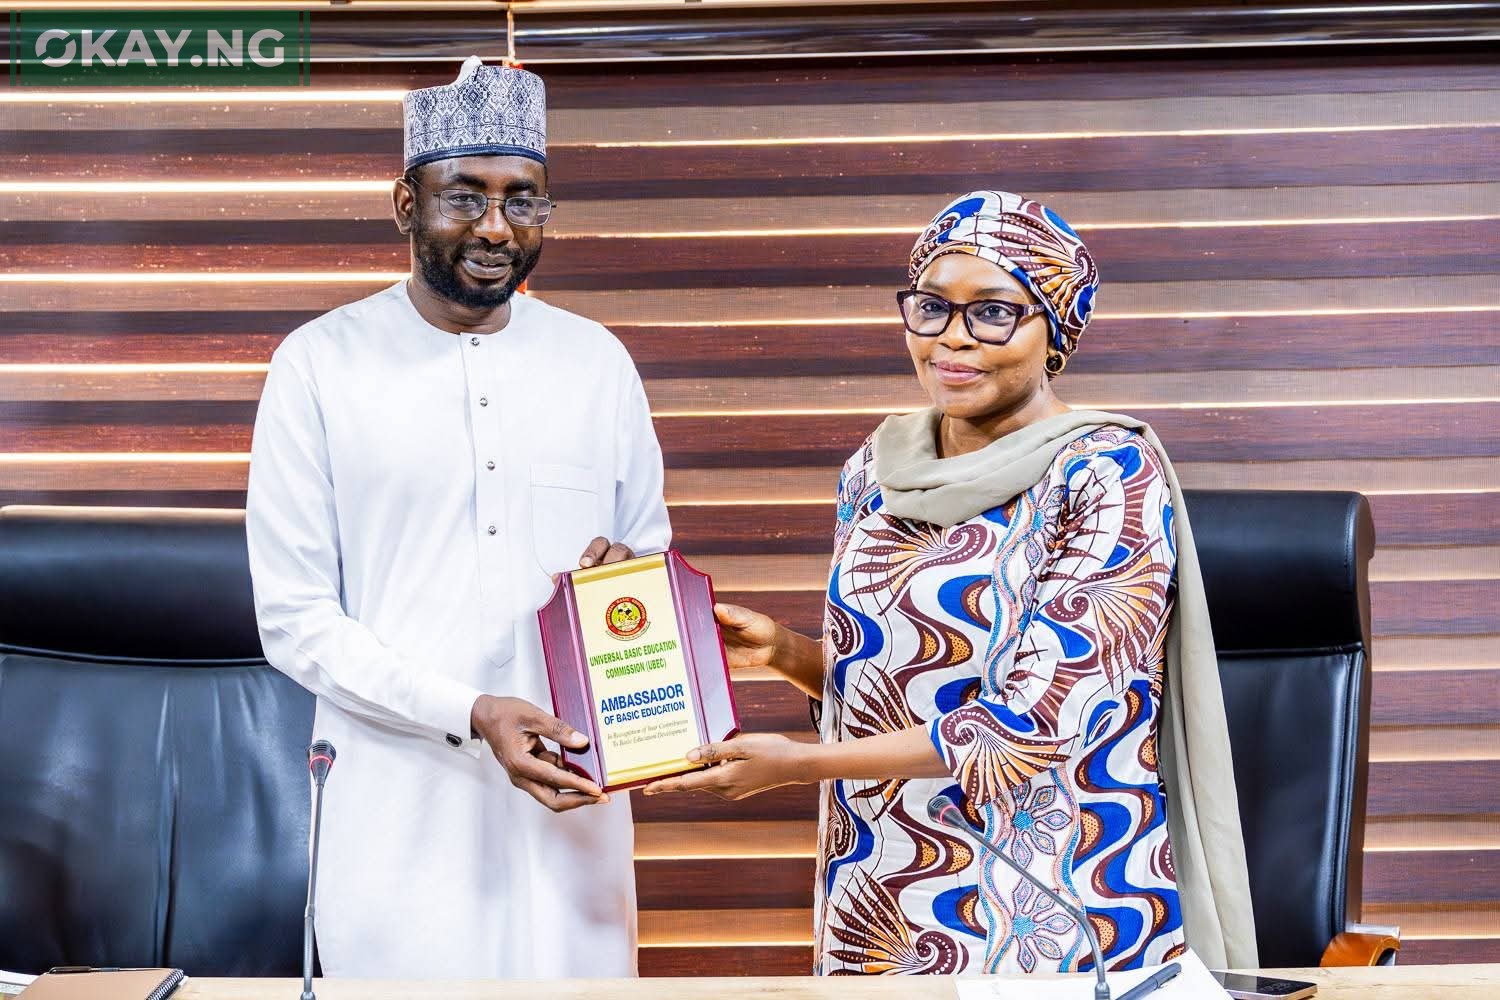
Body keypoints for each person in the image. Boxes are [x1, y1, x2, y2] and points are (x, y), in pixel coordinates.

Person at [643, 191, 1258, 975]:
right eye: (930, 307)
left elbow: (1036, 723)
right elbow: (901, 684)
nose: (952, 340)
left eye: (993, 312)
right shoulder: (876, 468)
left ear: (1054, 330)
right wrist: (787, 653)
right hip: (880, 889)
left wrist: (796, 767)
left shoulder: (1105, 472)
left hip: (1048, 900)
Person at [246, 57, 668, 979]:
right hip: (400, 807)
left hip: (573, 799)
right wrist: (468, 712)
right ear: (406, 204)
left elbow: (650, 561)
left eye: (525, 201)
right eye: (465, 197)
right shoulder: (319, 366)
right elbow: (295, 619)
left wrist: (628, 577)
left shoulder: (597, 363)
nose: (496, 228)